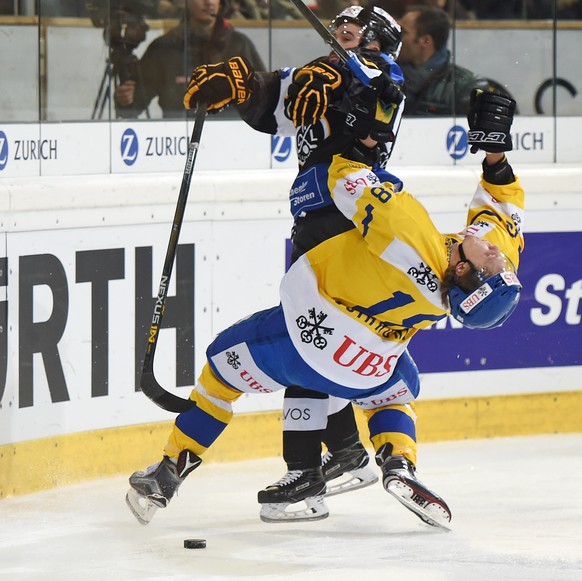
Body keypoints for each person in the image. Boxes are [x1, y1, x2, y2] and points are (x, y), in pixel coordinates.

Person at [125, 87, 523, 531]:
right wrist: (495, 156)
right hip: (369, 365)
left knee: (219, 373)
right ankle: (398, 463)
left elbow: (344, 177)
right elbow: (501, 220)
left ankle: (168, 472)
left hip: (302, 340)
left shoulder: (408, 233)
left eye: (491, 259)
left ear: (464, 267)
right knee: (396, 389)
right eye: (499, 260)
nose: (496, 252)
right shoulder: (461, 288)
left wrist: (364, 138)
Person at [184, 5, 410, 523]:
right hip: (313, 220)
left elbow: (380, 83)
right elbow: (277, 102)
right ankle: (348, 453)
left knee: (307, 340)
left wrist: (340, 69)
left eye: (348, 32)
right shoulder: (326, 72)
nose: (338, 37)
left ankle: (305, 472)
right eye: (336, 32)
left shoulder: (379, 75)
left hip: (346, 223)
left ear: (374, 39)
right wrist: (240, 84)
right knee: (314, 341)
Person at [114, 0, 265, 119]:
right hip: (176, 142)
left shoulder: (239, 44)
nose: (209, 2)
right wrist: (126, 100)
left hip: (232, 139)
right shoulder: (164, 47)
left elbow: (263, 95)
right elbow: (134, 104)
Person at [397, 4, 490, 115]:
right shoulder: (387, 76)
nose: (396, 38)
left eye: (403, 32)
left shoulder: (464, 87)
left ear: (426, 41)